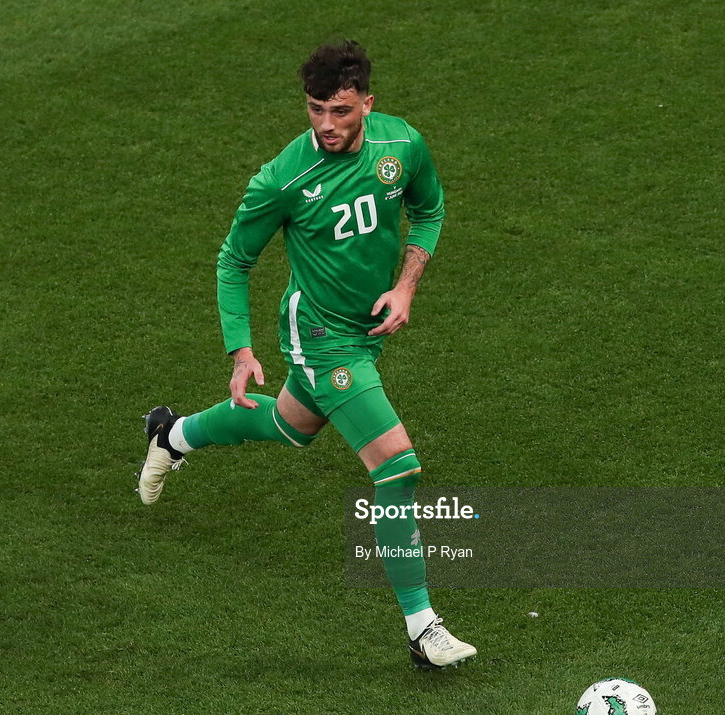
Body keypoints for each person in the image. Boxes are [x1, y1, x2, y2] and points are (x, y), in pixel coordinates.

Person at [137, 40, 475, 669]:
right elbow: (234, 260)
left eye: (340, 111)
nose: (325, 124)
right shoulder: (282, 178)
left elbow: (428, 209)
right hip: (321, 334)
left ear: (367, 104)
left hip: (362, 328)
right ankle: (422, 628)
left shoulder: (402, 147)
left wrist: (405, 286)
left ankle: (172, 435)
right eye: (315, 109)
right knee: (397, 468)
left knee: (288, 426)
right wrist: (240, 349)